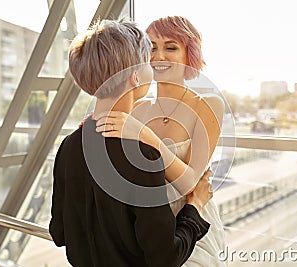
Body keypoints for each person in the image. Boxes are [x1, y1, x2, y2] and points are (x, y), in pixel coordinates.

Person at [49, 19, 214, 267]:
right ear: (136, 77)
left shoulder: (69, 146)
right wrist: (195, 207)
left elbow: (59, 233)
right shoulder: (142, 154)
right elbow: (165, 257)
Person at [95, 16, 227, 266]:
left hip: (190, 227)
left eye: (171, 47)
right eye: (152, 47)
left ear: (190, 56)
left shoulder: (208, 105)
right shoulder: (135, 108)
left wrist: (145, 136)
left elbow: (190, 183)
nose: (158, 56)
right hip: (144, 231)